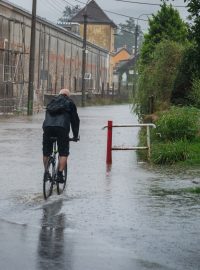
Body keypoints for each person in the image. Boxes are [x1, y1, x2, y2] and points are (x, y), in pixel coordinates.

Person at [42, 88, 80, 183]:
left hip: (47, 128)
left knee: (46, 152)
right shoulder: (70, 103)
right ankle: (59, 175)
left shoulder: (51, 102)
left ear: (59, 94)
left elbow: (46, 118)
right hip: (61, 128)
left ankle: (46, 172)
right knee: (63, 153)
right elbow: (75, 121)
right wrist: (75, 136)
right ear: (68, 95)